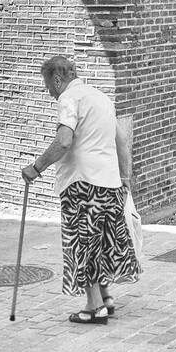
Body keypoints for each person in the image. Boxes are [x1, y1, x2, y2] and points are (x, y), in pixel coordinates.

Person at [22, 55, 140, 324]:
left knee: (83, 245)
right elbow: (121, 141)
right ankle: (106, 296)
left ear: (57, 78)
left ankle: (94, 306)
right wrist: (125, 179)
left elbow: (64, 141)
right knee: (100, 243)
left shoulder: (69, 99)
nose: (49, 92)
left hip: (82, 185)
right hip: (109, 184)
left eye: (47, 85)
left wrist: (36, 168)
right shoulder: (100, 97)